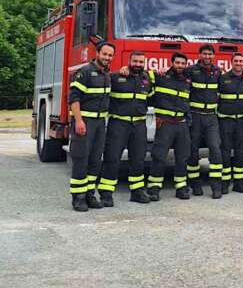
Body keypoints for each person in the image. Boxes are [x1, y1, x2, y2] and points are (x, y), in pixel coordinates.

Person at [98, 50, 152, 207]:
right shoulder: (116, 77)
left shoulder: (146, 78)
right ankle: (106, 193)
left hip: (139, 125)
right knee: (112, 158)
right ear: (129, 61)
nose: (138, 65)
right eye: (135, 61)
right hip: (119, 124)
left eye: (141, 62)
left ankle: (137, 192)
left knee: (138, 159)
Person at [67, 41, 114, 212]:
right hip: (85, 122)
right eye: (105, 54)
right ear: (97, 53)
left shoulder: (107, 74)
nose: (107, 58)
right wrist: (78, 121)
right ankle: (78, 198)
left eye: (110, 55)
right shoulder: (85, 72)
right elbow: (74, 98)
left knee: (95, 160)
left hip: (100, 123)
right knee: (81, 159)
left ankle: (89, 194)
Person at [146, 52, 192, 201]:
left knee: (182, 157)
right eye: (177, 63)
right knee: (159, 156)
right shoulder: (161, 75)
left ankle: (181, 187)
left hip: (182, 124)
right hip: (164, 124)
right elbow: (141, 75)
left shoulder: (188, 80)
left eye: (182, 64)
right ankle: (154, 187)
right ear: (172, 63)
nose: (180, 66)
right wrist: (126, 68)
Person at [186, 45, 224, 199]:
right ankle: (195, 183)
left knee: (215, 149)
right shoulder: (191, 70)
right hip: (195, 116)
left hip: (211, 117)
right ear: (200, 55)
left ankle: (216, 186)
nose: (207, 56)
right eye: (204, 54)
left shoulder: (218, 72)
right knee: (193, 150)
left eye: (210, 54)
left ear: (213, 56)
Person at [217, 52, 243, 194]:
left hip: (242, 121)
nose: (238, 63)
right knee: (225, 151)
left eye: (241, 61)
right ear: (231, 62)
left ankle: (239, 183)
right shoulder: (223, 78)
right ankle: (225, 183)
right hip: (225, 120)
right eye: (236, 61)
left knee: (241, 151)